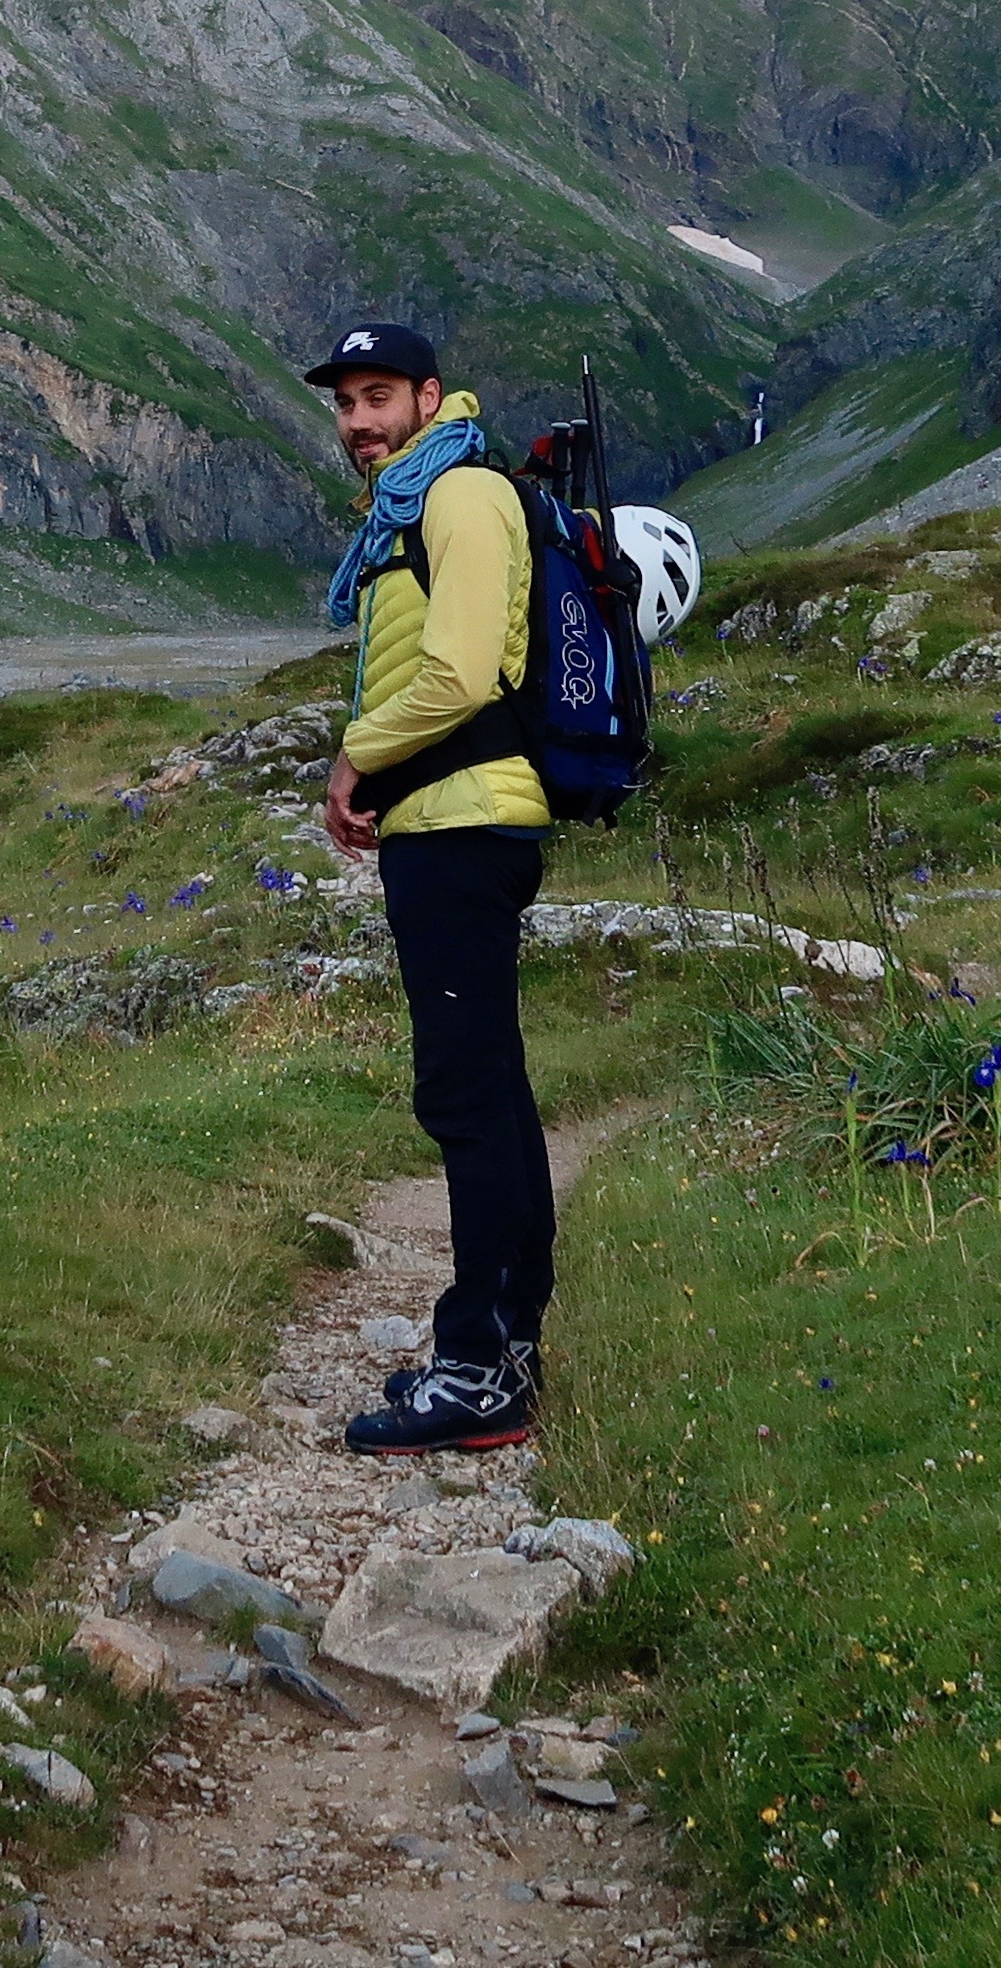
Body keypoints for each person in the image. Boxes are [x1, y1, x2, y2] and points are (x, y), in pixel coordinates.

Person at [303, 321, 552, 1452]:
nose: (358, 421)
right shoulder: (418, 500)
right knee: (489, 1088)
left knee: (463, 1094)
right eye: (346, 402)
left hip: (461, 825)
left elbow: (455, 672)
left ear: (428, 397)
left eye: (377, 397)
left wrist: (357, 757)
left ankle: (480, 1369)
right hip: (444, 821)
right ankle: (501, 1343)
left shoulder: (458, 495)